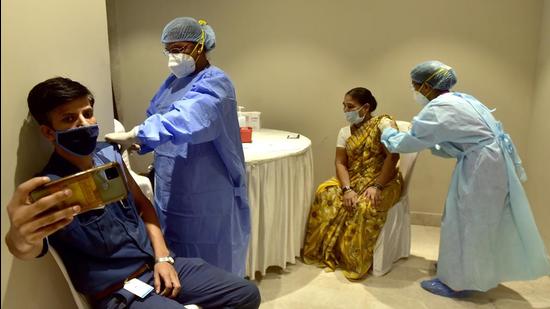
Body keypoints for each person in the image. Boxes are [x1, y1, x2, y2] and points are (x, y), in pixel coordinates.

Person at [5, 77, 260, 309]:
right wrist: (19, 238)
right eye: (69, 119)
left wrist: (163, 259)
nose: (83, 124)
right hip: (120, 291)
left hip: (157, 264)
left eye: (87, 113)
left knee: (246, 294)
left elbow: (143, 205)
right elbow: (27, 247)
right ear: (49, 132)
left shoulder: (109, 155)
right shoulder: (51, 189)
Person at [378, 60, 550, 297]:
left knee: (469, 222)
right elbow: (453, 137)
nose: (415, 91)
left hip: (482, 168)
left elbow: (408, 142)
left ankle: (459, 283)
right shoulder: (462, 99)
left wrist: (387, 131)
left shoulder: (440, 108)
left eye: (415, 85)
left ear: (428, 86)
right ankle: (458, 269)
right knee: (466, 218)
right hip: (487, 162)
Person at [104, 17, 249, 277]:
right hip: (171, 185)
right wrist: (142, 141)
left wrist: (141, 134)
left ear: (200, 47)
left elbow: (191, 116)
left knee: (211, 256)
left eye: (179, 49)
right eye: (169, 50)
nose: (173, 56)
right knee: (176, 250)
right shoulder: (171, 83)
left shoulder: (217, 82)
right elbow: (156, 113)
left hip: (207, 190)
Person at [302, 87, 403, 280]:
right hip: (354, 178)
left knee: (366, 205)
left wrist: (377, 186)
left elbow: (393, 157)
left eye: (350, 106)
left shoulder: (382, 123)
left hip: (384, 179)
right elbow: (340, 163)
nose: (346, 111)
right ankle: (331, 251)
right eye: (344, 106)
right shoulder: (345, 132)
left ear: (365, 107)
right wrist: (347, 189)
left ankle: (353, 259)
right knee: (326, 194)